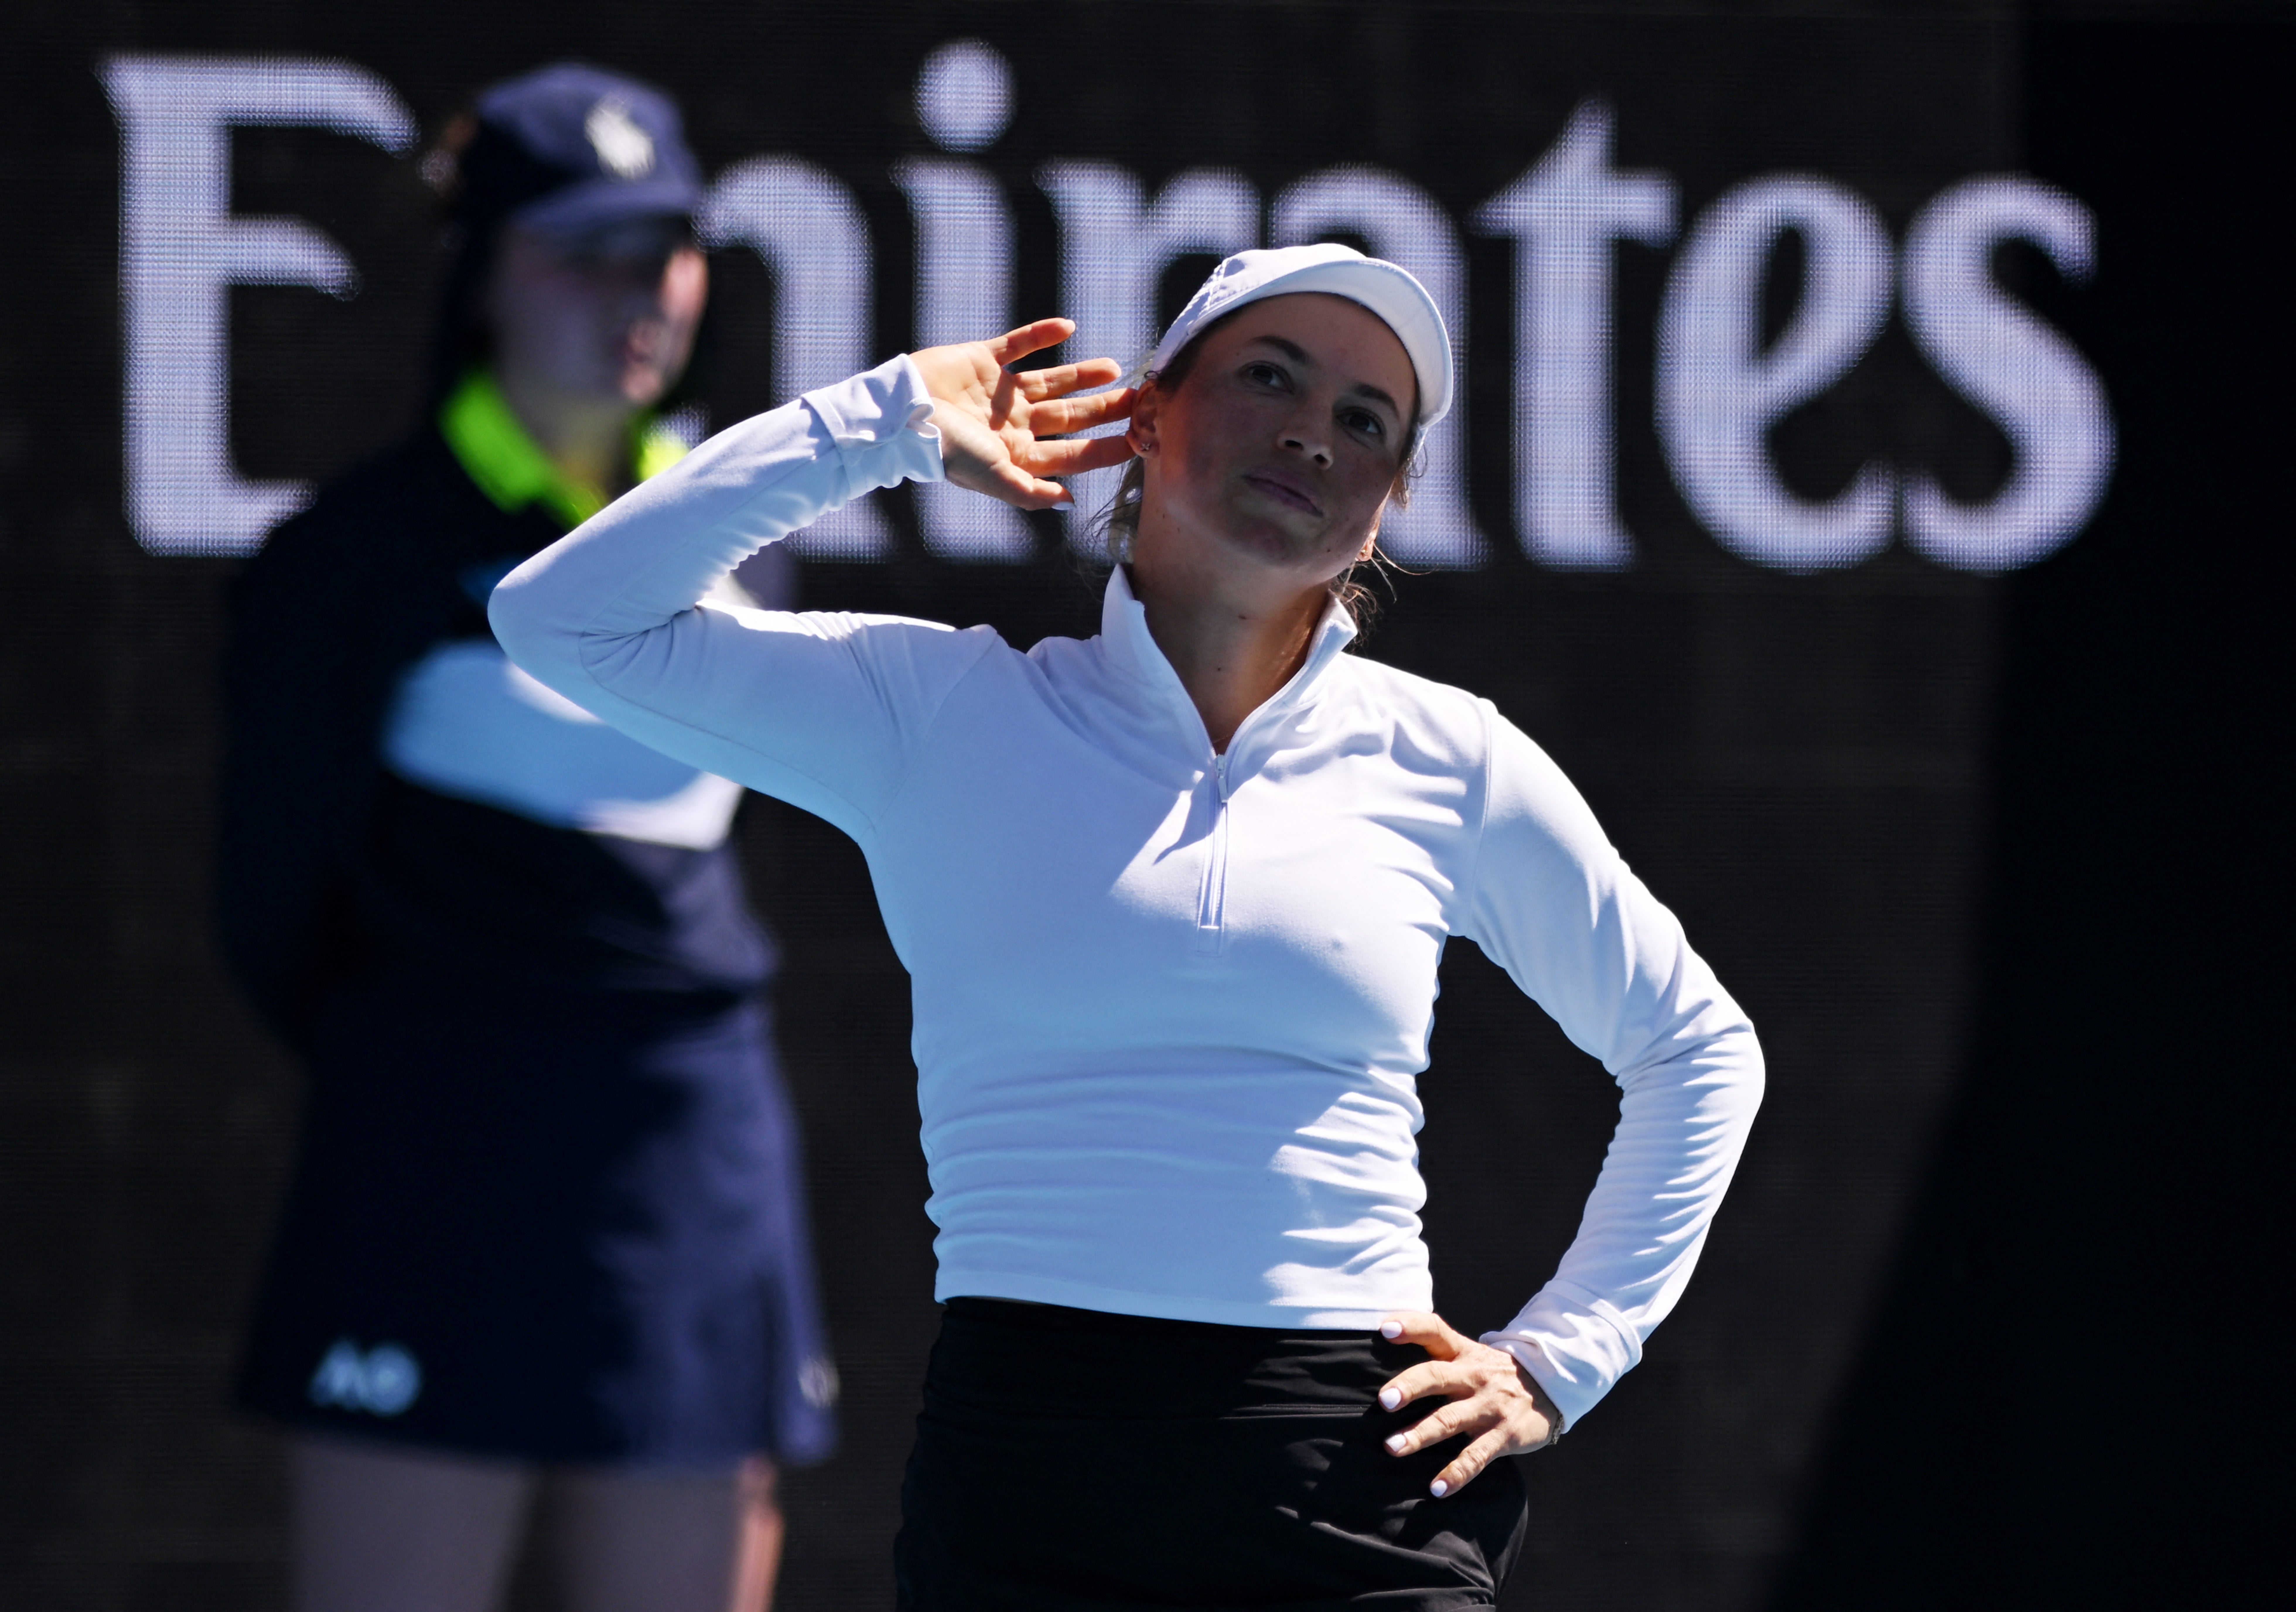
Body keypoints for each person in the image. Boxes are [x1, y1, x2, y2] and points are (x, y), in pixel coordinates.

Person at [490, 243, 1765, 1608]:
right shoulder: (943, 710)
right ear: (1146, 414)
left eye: (1363, 420)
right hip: (1026, 1467)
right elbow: (563, 620)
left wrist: (1560, 1356)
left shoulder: (1453, 758)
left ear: (1384, 507)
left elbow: (1697, 1046)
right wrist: (883, 421)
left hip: (1354, 1470)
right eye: (1269, 376)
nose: (1309, 432)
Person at [216, 64, 834, 1612]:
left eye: (664, 250)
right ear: (484, 271)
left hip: (692, 1165)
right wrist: (436, 1049)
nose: (634, 294)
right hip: (433, 1163)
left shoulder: (748, 546)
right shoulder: (352, 559)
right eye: (581, 249)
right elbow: (269, 900)